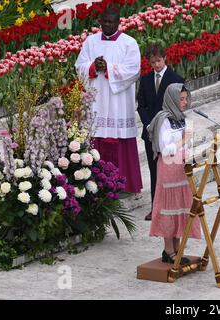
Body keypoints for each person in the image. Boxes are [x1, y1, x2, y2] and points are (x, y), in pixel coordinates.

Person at [75, 8, 142, 194]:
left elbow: (133, 70)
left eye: (111, 22)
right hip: (97, 100)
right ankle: (97, 186)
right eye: (104, 21)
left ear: (118, 22)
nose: (106, 25)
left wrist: (109, 68)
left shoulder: (129, 43)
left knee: (120, 141)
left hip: (119, 102)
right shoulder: (91, 41)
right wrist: (92, 67)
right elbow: (79, 65)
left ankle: (125, 185)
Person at [147, 83, 201, 265]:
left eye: (186, 98)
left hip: (182, 169)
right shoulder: (163, 120)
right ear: (172, 99)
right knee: (169, 209)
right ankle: (168, 250)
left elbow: (185, 144)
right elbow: (165, 149)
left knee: (180, 208)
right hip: (169, 169)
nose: (185, 102)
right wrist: (184, 140)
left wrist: (190, 151)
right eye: (181, 99)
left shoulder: (183, 118)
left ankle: (178, 248)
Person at [138, 44, 184, 221]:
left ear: (165, 58)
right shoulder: (146, 80)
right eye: (152, 62)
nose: (156, 65)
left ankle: (172, 206)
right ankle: (155, 208)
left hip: (170, 132)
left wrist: (165, 125)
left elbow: (180, 107)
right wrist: (150, 124)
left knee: (171, 170)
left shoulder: (176, 79)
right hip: (150, 133)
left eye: (158, 61)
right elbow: (141, 105)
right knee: (154, 170)